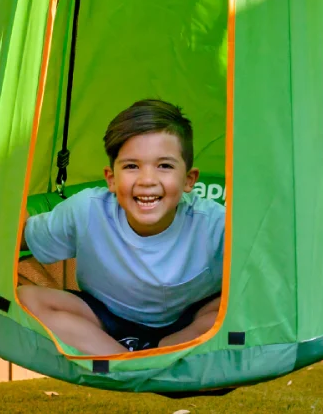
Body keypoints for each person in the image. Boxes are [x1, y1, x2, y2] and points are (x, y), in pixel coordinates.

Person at [18, 99, 225, 354]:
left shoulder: (215, 224)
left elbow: (261, 271)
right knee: (28, 299)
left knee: (227, 312)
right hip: (104, 320)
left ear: (189, 180)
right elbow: (22, 237)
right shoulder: (87, 211)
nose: (147, 180)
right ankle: (123, 361)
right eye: (131, 166)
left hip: (185, 324)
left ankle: (159, 353)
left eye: (164, 166)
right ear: (111, 179)